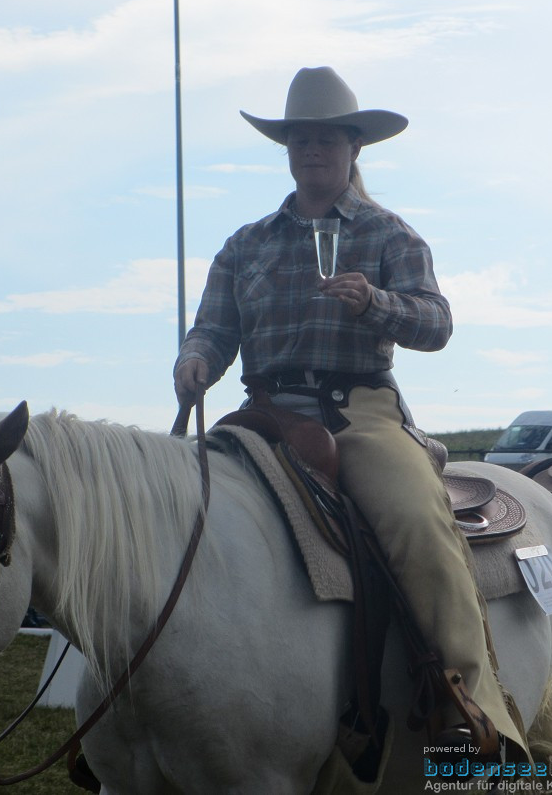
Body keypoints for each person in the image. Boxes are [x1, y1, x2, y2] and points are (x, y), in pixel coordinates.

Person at [174, 67, 528, 766]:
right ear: (286, 147)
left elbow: (437, 324)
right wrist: (195, 361)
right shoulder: (245, 243)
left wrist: (376, 305)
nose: (313, 151)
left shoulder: (389, 235)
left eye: (327, 139)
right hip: (262, 411)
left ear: (353, 148)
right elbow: (213, 331)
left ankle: (469, 704)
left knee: (418, 522)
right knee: (176, 508)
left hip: (356, 411)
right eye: (300, 139)